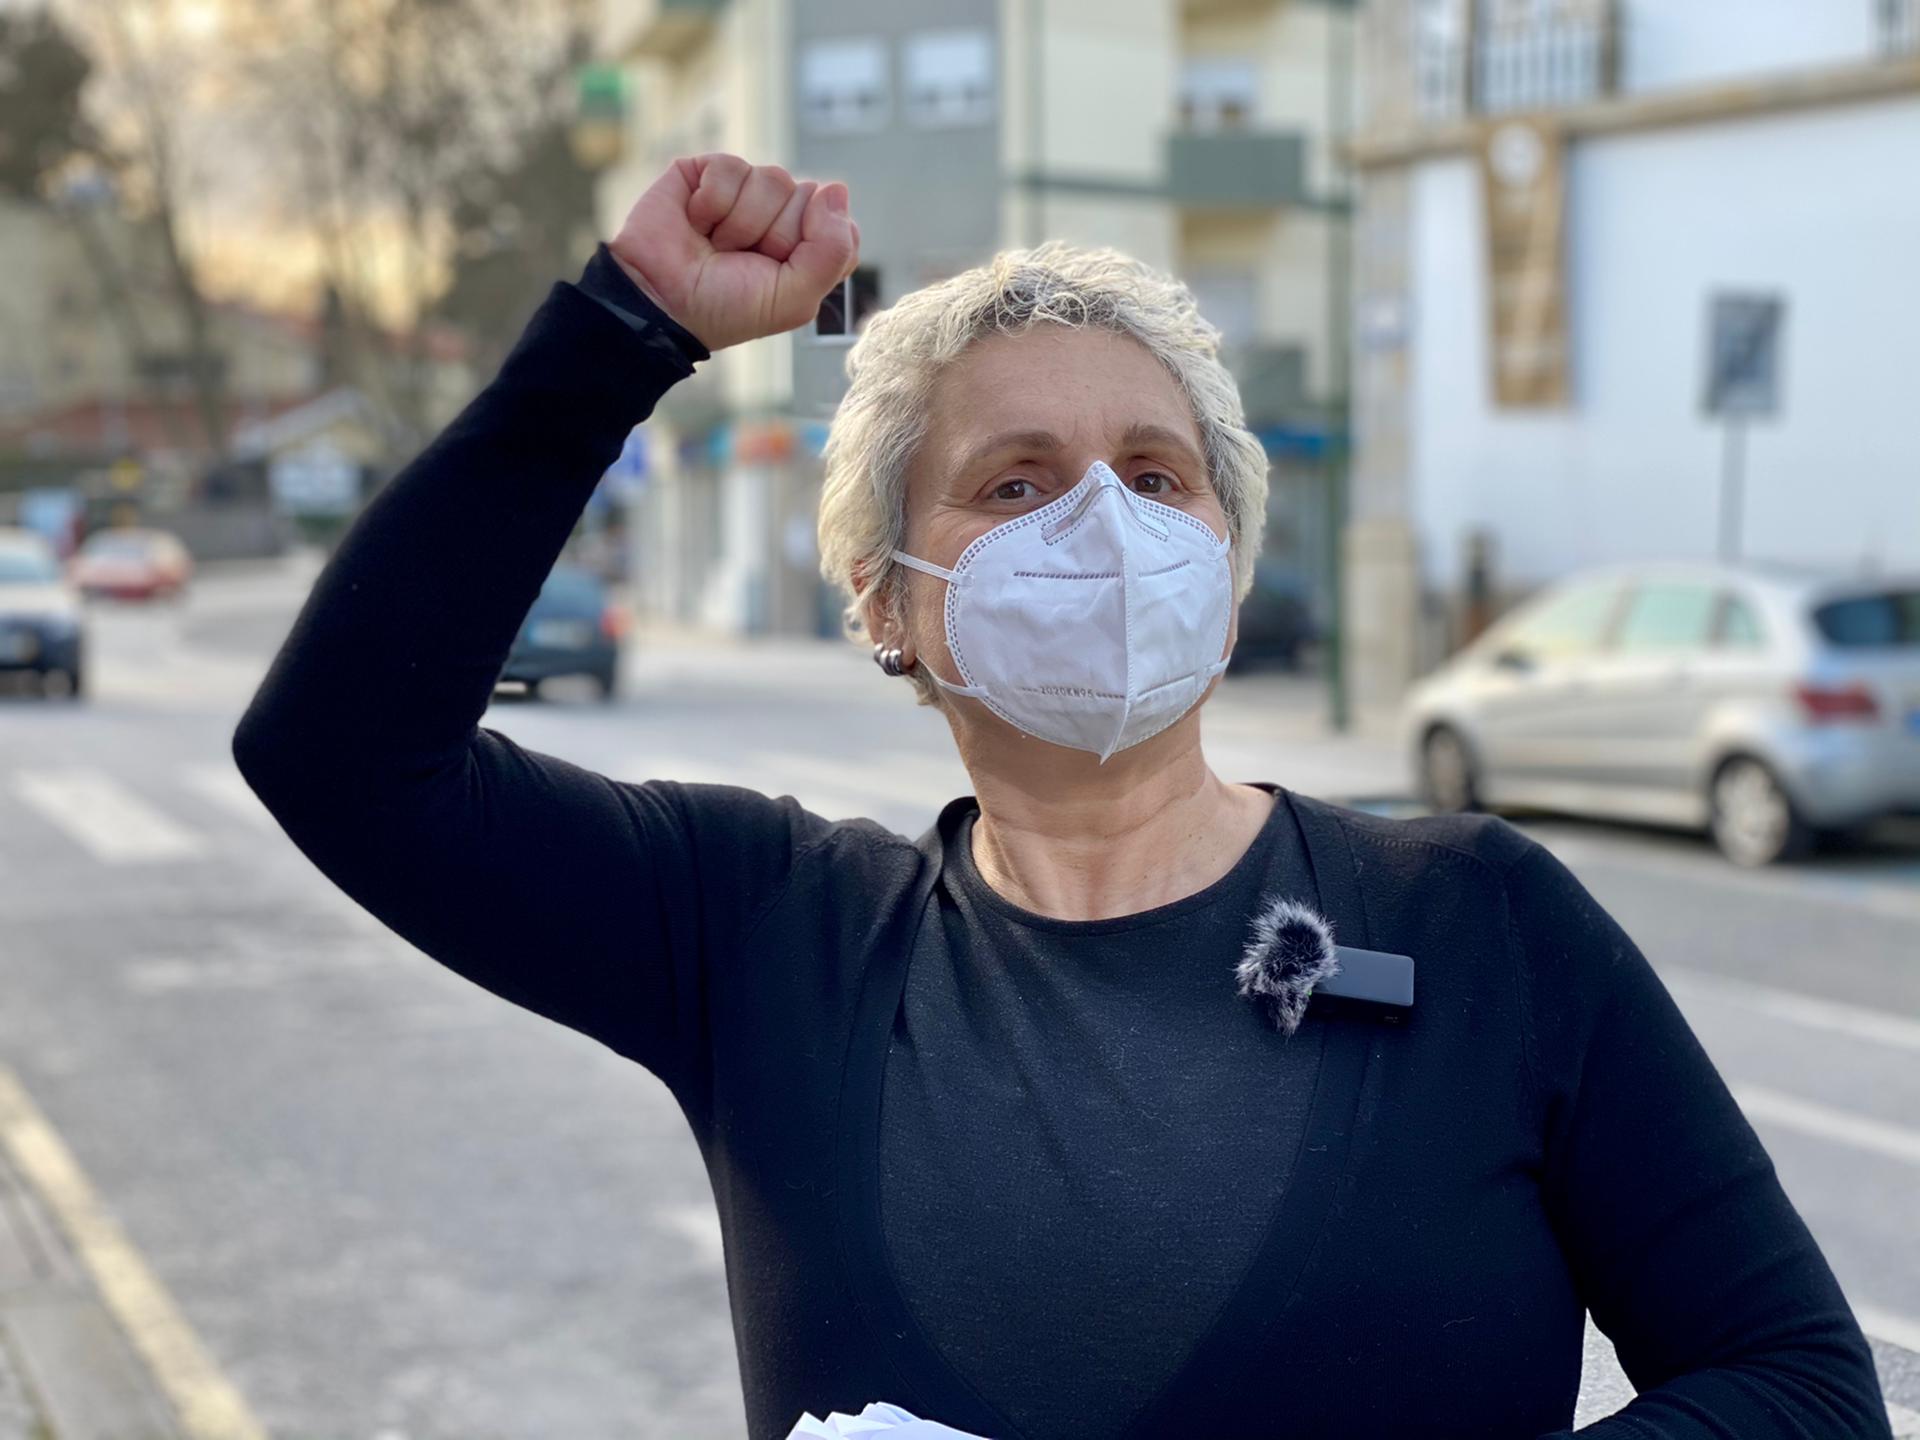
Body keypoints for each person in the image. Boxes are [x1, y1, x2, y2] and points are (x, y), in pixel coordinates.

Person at [231, 153, 1891, 1440]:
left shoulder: (1481, 921)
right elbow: (341, 758)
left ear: (1223, 577)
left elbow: (1799, 1383)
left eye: (1155, 477)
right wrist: (623, 334)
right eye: (1014, 484)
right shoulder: (764, 932)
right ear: (889, 601)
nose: (1102, 523)